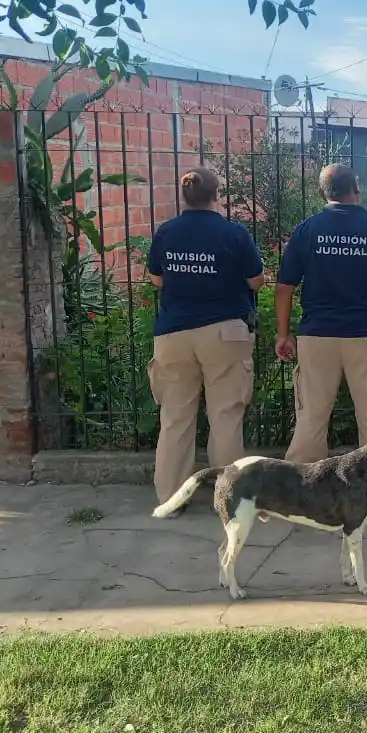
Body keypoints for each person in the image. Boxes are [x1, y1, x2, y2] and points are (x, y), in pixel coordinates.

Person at [274, 164, 367, 515]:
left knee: (311, 414)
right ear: (356, 187)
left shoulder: (306, 230)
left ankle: (298, 494)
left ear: (324, 192)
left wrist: (283, 333)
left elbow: (284, 288)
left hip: (317, 335)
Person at [146, 167, 265, 510]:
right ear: (217, 196)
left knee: (175, 417)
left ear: (185, 196)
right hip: (225, 331)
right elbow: (256, 281)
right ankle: (229, 497)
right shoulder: (233, 233)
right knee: (225, 415)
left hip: (173, 333)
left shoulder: (166, 232)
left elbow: (156, 279)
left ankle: (170, 498)